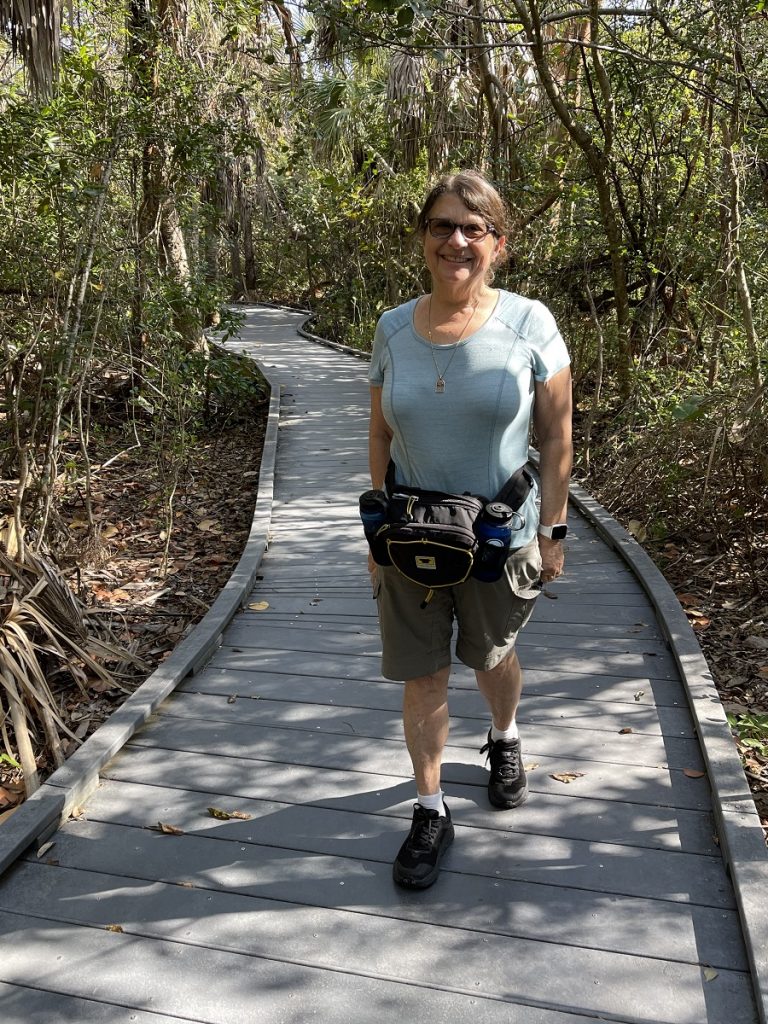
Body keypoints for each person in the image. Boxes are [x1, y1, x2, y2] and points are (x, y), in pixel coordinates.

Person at [367, 170, 573, 889]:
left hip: (498, 537)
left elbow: (557, 434)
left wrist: (554, 531)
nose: (456, 240)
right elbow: (379, 435)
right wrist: (374, 535)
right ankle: (430, 809)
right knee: (423, 676)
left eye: (473, 228)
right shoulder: (392, 327)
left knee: (492, 658)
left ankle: (503, 736)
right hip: (412, 539)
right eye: (442, 226)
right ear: (423, 239)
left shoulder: (530, 322)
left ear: (498, 244)